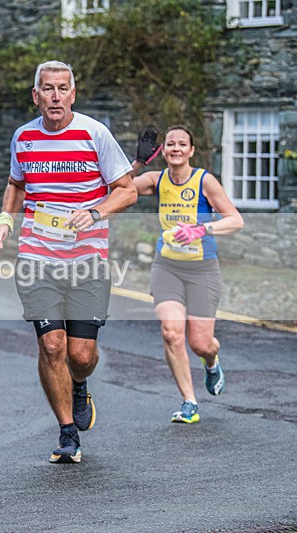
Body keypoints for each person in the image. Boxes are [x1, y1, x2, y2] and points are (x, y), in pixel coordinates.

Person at [0, 60, 137, 464]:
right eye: (47, 89)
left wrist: (95, 213)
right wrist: (5, 218)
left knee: (81, 355)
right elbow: (16, 185)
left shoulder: (94, 134)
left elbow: (126, 191)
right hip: (37, 257)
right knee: (52, 345)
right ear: (35, 95)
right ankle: (68, 431)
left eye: (63, 89)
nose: (55, 96)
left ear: (74, 93)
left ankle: (79, 384)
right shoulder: (23, 138)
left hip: (87, 259)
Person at [130, 125, 244, 424]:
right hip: (166, 266)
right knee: (170, 332)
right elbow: (117, 188)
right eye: (170, 144)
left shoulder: (205, 181)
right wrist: (139, 163)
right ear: (163, 150)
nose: (176, 148)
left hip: (202, 268)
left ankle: (211, 360)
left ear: (191, 151)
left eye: (182, 144)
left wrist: (201, 228)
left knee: (200, 344)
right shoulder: (157, 179)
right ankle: (189, 402)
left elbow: (235, 220)